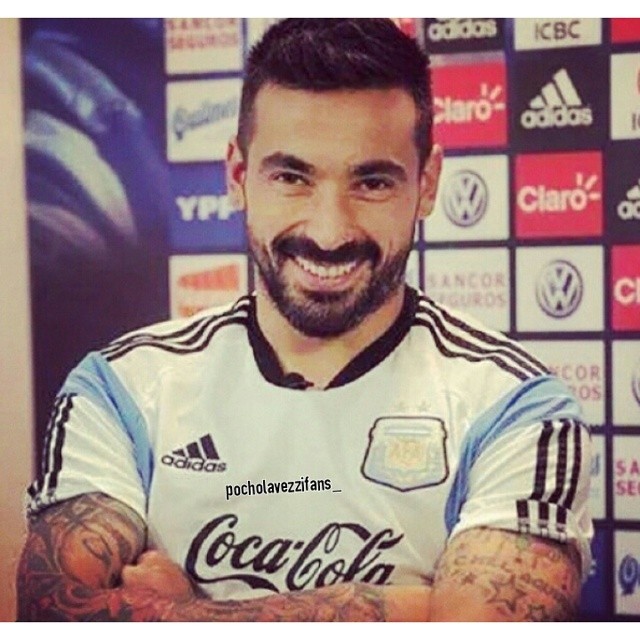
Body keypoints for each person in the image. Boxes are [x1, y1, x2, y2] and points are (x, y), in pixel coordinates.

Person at [16, 18, 592, 622]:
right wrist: (412, 607)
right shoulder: (123, 389)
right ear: (238, 177)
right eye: (292, 177)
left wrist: (189, 612)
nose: (329, 231)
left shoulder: (515, 407)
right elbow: (50, 614)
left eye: (372, 181)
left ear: (426, 185)